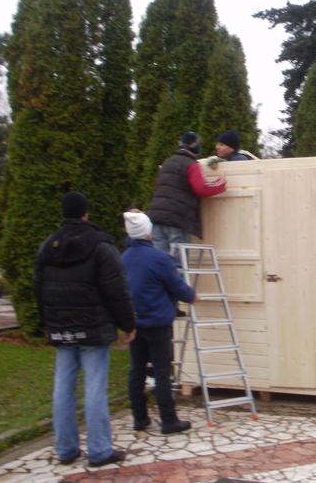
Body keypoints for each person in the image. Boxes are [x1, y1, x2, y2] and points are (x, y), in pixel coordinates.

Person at [34, 192, 137, 467]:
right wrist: (128, 323)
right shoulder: (101, 245)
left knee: (62, 389)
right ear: (85, 214)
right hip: (92, 328)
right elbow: (117, 290)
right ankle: (99, 450)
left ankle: (66, 449)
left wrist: (48, 321)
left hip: (61, 329)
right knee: (94, 389)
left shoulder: (48, 246)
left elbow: (38, 289)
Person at [121, 212, 200, 435]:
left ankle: (140, 418)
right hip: (157, 324)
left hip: (135, 326)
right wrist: (192, 295)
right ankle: (168, 420)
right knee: (162, 372)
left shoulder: (123, 258)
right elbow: (176, 286)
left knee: (136, 371)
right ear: (148, 232)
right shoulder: (159, 258)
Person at [147, 131, 227, 266]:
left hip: (156, 219)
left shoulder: (166, 164)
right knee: (178, 265)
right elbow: (201, 188)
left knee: (160, 265)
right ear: (195, 145)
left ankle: (161, 288)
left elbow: (158, 186)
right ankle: (176, 288)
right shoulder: (191, 165)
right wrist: (220, 182)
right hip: (177, 221)